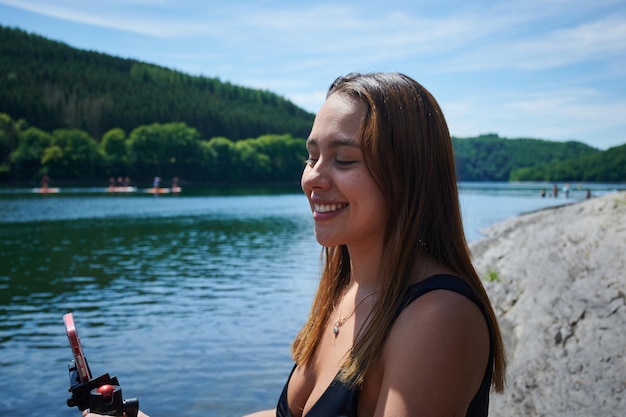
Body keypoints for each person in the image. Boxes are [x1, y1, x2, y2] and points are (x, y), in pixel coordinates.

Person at [87, 72, 506, 417]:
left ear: (408, 176)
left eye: (343, 160)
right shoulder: (348, 290)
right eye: (311, 157)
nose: (313, 179)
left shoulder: (437, 317)